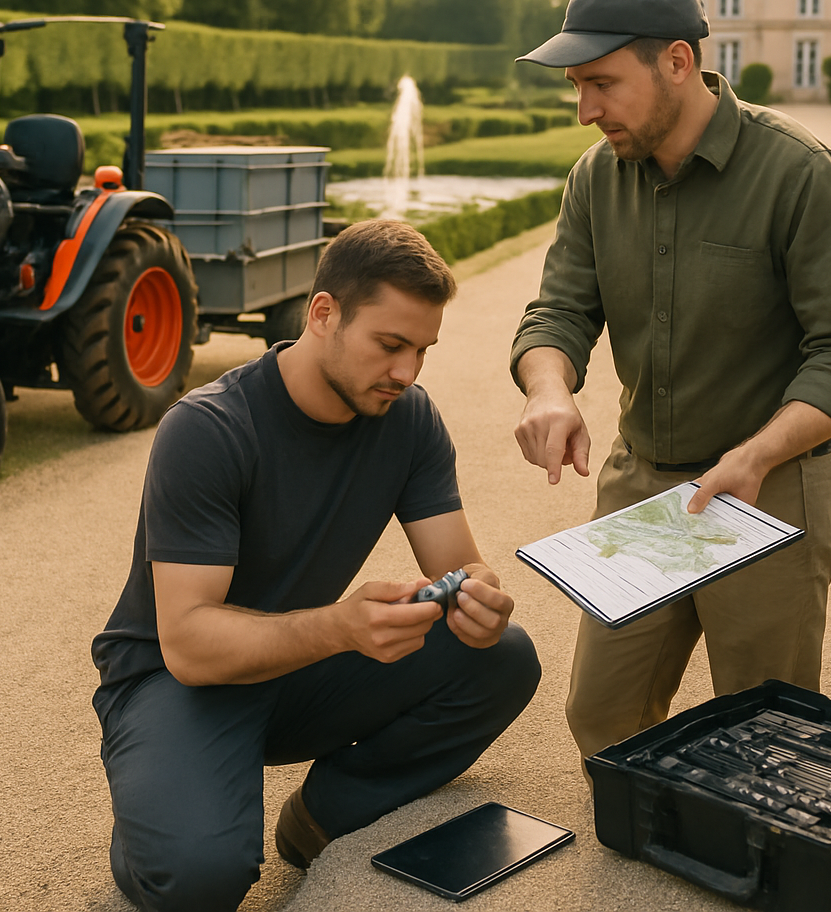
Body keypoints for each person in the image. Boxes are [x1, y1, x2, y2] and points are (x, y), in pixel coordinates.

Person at [91, 219, 541, 912]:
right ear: (323, 314)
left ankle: (323, 816)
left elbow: (463, 566)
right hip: (176, 679)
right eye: (389, 345)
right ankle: (155, 823)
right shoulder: (209, 430)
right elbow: (187, 643)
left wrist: (479, 599)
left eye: (421, 350)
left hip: (299, 667)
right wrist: (340, 627)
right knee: (198, 878)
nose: (406, 372)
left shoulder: (408, 418)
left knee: (504, 657)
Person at [510, 0, 831, 767]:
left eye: (602, 83)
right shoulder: (595, 177)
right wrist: (549, 391)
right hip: (643, 483)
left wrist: (756, 455)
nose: (586, 110)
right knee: (602, 720)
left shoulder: (800, 174)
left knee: (765, 738)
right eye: (577, 86)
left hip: (770, 485)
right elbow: (558, 313)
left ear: (677, 61)